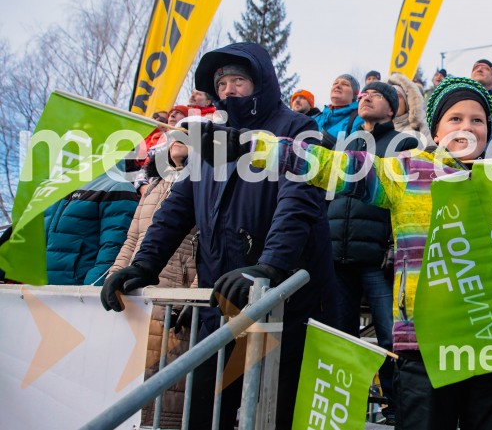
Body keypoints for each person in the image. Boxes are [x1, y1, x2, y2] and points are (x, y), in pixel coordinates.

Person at [265, 76, 492, 429]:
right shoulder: (406, 172)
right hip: (424, 344)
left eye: (477, 120)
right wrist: (259, 148)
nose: (467, 127)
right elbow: (333, 166)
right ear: (437, 130)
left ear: (488, 131)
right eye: (455, 118)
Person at [100, 42, 335, 430]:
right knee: (204, 413)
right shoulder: (210, 141)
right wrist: (144, 264)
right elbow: (177, 208)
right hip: (220, 299)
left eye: (238, 80)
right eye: (221, 83)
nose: (228, 89)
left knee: (275, 415)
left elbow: (298, 205)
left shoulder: (298, 128)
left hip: (282, 305)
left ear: (262, 82)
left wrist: (267, 267)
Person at [327, 81, 419, 425]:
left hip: (378, 259)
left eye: (375, 95)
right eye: (363, 94)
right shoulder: (345, 145)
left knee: (389, 337)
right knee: (341, 335)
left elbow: (409, 199)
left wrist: (394, 246)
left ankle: (397, 410)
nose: (365, 97)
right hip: (339, 255)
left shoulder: (403, 143)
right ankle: (346, 408)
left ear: (393, 109)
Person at [107, 136, 197, 429]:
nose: (177, 139)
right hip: (136, 296)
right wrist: (114, 276)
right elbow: (132, 238)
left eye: (188, 133)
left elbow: (213, 246)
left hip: (175, 297)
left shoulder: (206, 186)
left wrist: (196, 295)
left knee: (164, 386)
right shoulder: (155, 186)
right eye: (174, 136)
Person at [314, 74, 364, 147]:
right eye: (335, 83)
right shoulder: (316, 118)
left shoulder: (358, 118)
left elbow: (353, 152)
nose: (337, 86)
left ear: (354, 94)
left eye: (345, 84)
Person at [388, 72, 432, 145]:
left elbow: (433, 152)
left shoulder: (422, 128)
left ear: (408, 102)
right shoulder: (376, 131)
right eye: (389, 96)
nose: (393, 99)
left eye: (398, 96)